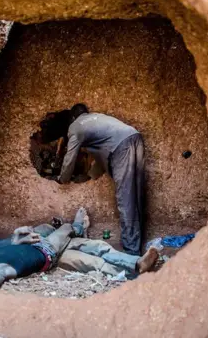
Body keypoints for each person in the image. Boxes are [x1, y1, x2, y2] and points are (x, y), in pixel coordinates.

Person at [51, 103, 147, 256]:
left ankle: (132, 253)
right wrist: (91, 175)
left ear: (73, 117)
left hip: (122, 146)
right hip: (135, 137)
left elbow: (70, 157)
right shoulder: (98, 120)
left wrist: (62, 178)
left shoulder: (75, 126)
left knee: (126, 198)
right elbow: (102, 155)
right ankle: (138, 245)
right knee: (137, 194)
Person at [0, 208, 160, 280]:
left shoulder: (8, 240)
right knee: (94, 263)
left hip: (58, 243)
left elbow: (39, 232)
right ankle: (135, 275)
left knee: (100, 247)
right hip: (52, 255)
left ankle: (137, 263)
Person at [0, 210, 88, 288]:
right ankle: (78, 227)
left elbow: (13, 245)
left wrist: (22, 238)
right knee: (66, 228)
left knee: (48, 228)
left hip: (35, 245)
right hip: (46, 252)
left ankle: (67, 230)